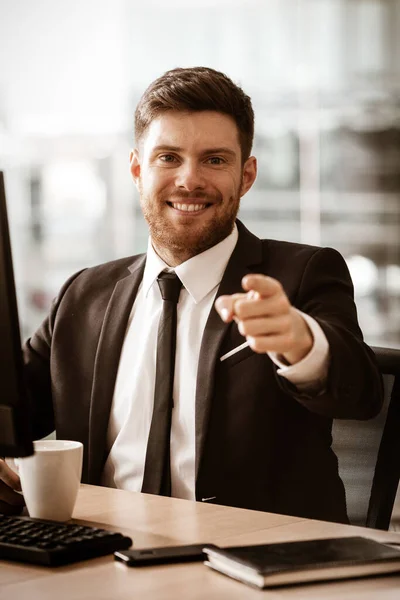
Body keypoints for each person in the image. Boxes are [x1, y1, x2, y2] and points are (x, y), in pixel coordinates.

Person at [0, 67, 382, 522]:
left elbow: (363, 394)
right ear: (138, 170)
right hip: (105, 552)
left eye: (215, 160)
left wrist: (304, 344)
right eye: (168, 157)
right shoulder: (83, 295)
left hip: (256, 565)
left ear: (247, 175)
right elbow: (12, 413)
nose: (189, 180)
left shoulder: (303, 274)